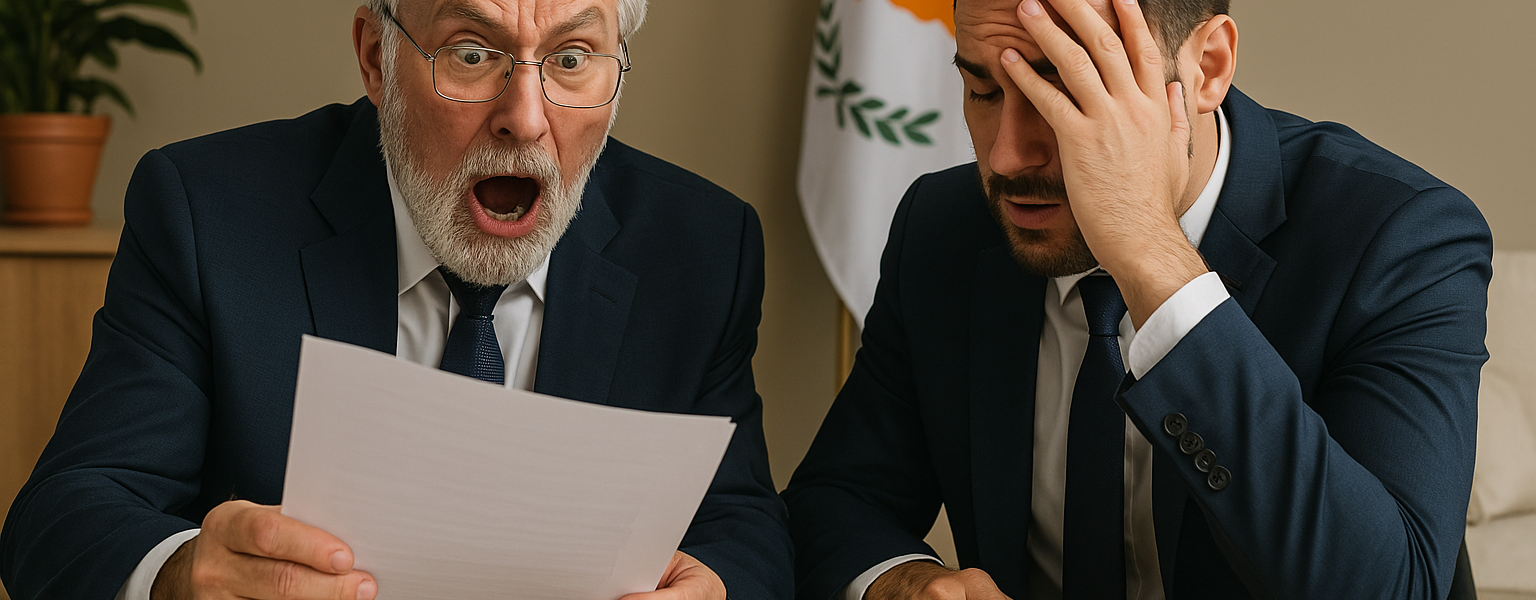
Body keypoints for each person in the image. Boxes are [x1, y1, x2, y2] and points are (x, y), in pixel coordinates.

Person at [0, 1, 793, 599]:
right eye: (473, 53)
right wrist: (178, 573)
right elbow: (64, 514)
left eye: (573, 59)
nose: (524, 119)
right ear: (377, 60)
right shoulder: (205, 213)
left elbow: (745, 526)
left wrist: (715, 586)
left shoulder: (703, 248)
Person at [782, 0, 1490, 598]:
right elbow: (839, 500)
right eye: (984, 92)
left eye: (1070, 95)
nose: (1004, 156)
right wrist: (905, 581)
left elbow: (1396, 584)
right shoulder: (943, 229)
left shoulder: (1399, 239)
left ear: (1206, 67)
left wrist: (1154, 257)